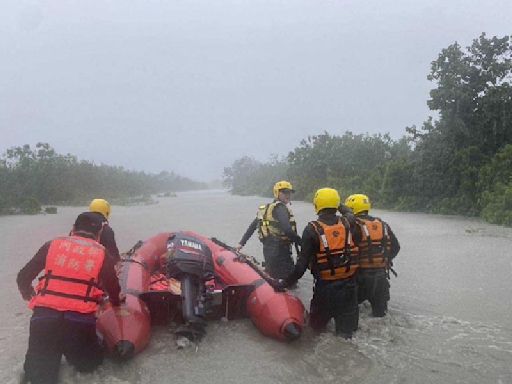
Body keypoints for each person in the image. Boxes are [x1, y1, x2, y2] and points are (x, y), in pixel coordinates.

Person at [17, 212, 122, 384]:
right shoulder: (103, 254)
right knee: (89, 366)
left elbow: (22, 277)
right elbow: (113, 289)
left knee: (38, 377)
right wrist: (117, 304)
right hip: (79, 324)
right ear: (99, 234)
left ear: (73, 229)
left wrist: (27, 293)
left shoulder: (51, 245)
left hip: (43, 319)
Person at [277, 188, 360, 338]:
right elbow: (349, 212)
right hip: (349, 290)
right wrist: (337, 203)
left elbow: (301, 267)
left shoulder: (311, 230)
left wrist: (283, 283)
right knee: (346, 336)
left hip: (325, 291)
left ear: (316, 205)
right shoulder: (348, 222)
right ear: (336, 205)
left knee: (315, 332)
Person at [344, 194, 400, 317]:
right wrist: (385, 260)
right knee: (381, 316)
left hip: (360, 278)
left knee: (350, 313)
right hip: (381, 277)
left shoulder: (354, 226)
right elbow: (396, 247)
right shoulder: (382, 224)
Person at [236, 180, 301, 279]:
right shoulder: (280, 208)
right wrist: (303, 243)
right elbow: (287, 230)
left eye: (289, 192)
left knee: (273, 276)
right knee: (289, 281)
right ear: (277, 193)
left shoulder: (266, 209)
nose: (287, 195)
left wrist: (241, 244)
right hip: (281, 252)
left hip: (268, 249)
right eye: (284, 192)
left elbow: (252, 227)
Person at [89, 198, 120, 263]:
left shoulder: (77, 226)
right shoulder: (106, 230)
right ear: (106, 212)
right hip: (95, 265)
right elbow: (114, 255)